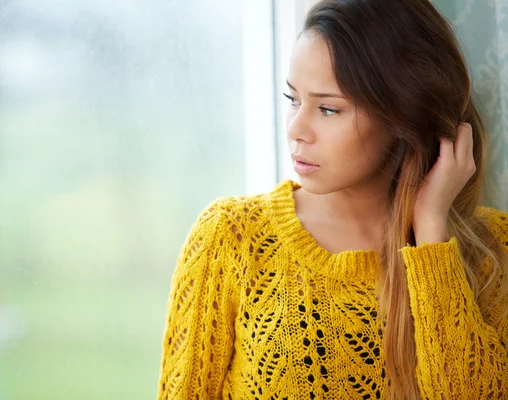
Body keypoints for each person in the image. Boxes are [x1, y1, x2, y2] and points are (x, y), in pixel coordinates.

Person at [156, 0, 508, 398]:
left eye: (327, 109)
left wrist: (431, 230)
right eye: (293, 99)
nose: (296, 129)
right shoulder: (233, 237)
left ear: (404, 118)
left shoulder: (493, 250)